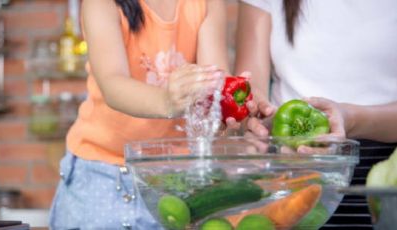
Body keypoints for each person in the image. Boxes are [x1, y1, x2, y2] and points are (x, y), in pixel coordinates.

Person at [49, 0, 228, 229]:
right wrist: (167, 100)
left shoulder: (208, 3)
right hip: (101, 171)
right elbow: (112, 84)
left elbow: (215, 82)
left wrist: (234, 103)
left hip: (174, 178)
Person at [232, 0, 397, 142]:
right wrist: (260, 112)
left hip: (385, 159)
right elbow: (251, 80)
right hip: (287, 154)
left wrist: (351, 118)